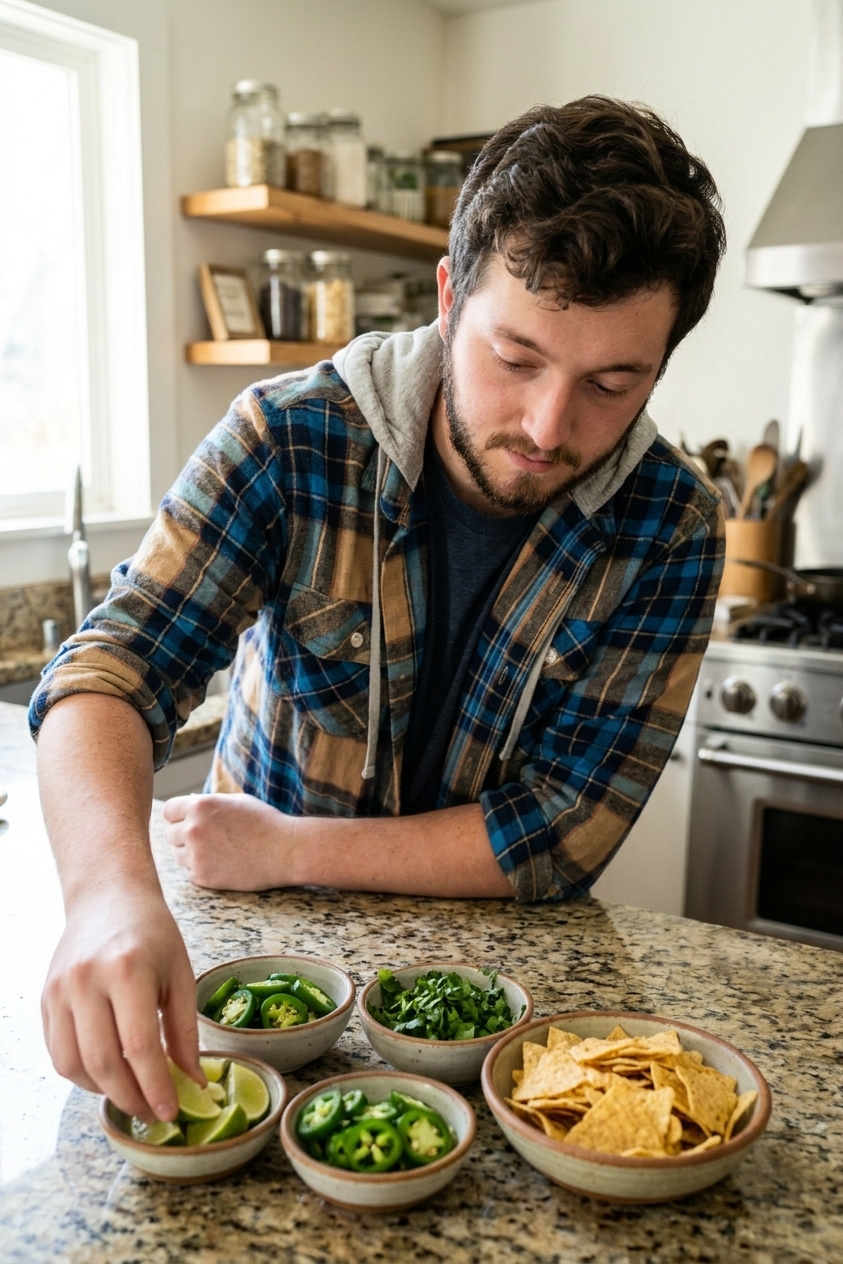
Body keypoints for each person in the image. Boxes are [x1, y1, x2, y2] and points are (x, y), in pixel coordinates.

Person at [31, 97, 726, 1124]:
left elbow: (560, 830)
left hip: (499, 1006)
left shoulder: (675, 526)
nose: (547, 424)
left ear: (659, 365)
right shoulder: (287, 436)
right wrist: (103, 891)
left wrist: (287, 847)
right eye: (516, 358)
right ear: (449, 295)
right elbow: (113, 670)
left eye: (612, 383)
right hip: (259, 973)